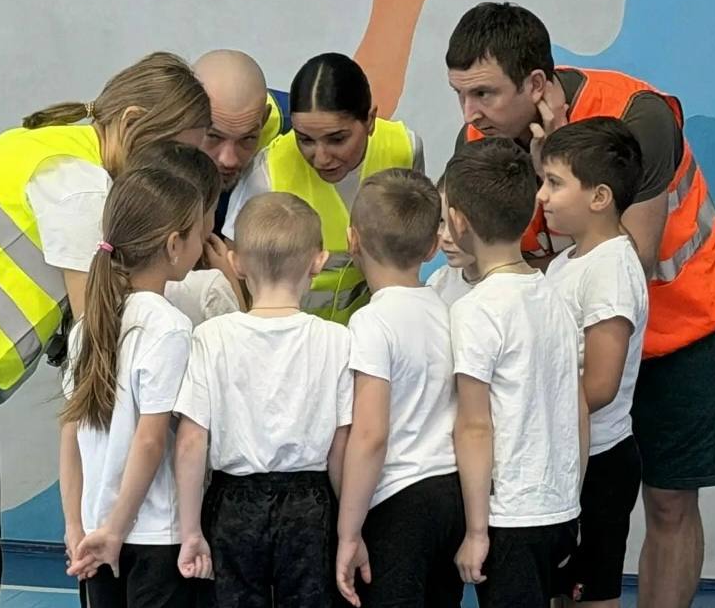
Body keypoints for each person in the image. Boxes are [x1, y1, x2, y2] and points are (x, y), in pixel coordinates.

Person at [0, 51, 210, 608]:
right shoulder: (80, 181)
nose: (170, 177)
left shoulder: (37, 144)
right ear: (131, 123)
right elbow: (102, 322)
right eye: (173, 153)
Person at [447, 2, 715, 607]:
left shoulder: (637, 116)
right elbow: (493, 256)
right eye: (461, 95)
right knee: (566, 519)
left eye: (484, 94)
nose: (469, 114)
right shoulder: (480, 139)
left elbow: (628, 255)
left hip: (681, 326)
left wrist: (553, 158)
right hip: (570, 354)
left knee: (669, 500)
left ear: (535, 83)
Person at [175, 192, 352, 605]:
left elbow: (190, 441)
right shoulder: (337, 340)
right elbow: (342, 446)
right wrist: (350, 529)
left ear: (235, 262)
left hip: (233, 501)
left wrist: (190, 530)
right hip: (310, 501)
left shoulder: (211, 337)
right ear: (318, 262)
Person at [445, 138, 588, 608]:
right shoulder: (555, 297)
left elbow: (474, 425)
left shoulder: (475, 310)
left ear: (458, 221)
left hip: (508, 518)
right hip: (560, 509)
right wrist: (572, 498)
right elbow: (578, 409)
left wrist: (475, 532)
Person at [60, 168, 206, 607]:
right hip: (152, 534)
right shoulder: (169, 327)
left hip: (95, 533)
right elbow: (150, 439)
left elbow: (70, 435)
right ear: (174, 245)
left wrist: (76, 526)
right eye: (199, 232)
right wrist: (118, 529)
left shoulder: (86, 326)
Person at [336, 169, 464, 607]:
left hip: (397, 501)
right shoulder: (445, 309)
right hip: (451, 493)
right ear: (432, 246)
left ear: (353, 240)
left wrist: (348, 532)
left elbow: (371, 435)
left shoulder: (371, 322)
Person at [224, 52, 424, 323]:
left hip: (378, 330)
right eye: (305, 139)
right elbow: (234, 267)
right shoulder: (267, 172)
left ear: (370, 119)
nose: (321, 158)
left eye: (337, 139)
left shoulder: (406, 149)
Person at [538, 118, 649, 607]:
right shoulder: (568, 262)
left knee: (592, 594)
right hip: (565, 452)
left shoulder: (611, 269)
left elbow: (601, 385)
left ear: (600, 196)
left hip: (599, 460)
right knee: (561, 591)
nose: (541, 196)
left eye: (554, 183)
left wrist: (533, 414)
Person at [127, 140, 244, 321]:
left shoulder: (108, 279)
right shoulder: (211, 286)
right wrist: (229, 278)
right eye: (212, 210)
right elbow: (244, 335)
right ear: (199, 219)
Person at [192, 49, 290, 234]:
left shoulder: (303, 131)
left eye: (248, 138)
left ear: (264, 118)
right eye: (213, 137)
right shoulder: (154, 133)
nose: (229, 160)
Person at [426, 174, 481, 306]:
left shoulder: (509, 294)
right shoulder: (437, 283)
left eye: (458, 223)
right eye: (441, 221)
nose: (445, 237)